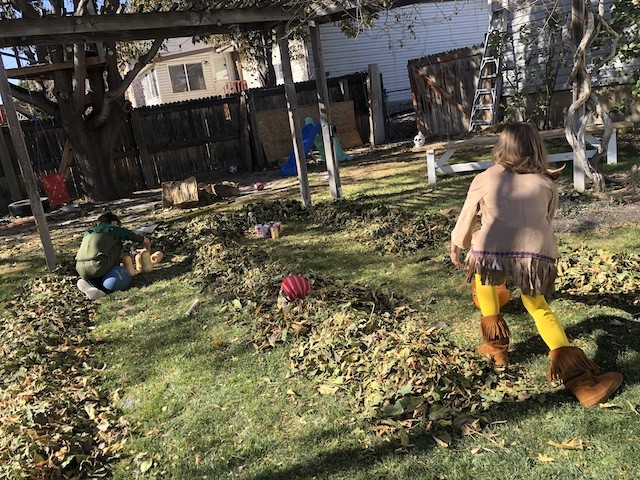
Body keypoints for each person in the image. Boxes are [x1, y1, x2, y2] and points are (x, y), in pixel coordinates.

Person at [450, 122, 623, 407]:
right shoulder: (546, 183)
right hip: (533, 256)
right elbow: (546, 219)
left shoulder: (484, 178)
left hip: (490, 250)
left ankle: (497, 349)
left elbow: (467, 217)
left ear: (501, 148)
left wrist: (460, 244)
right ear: (536, 149)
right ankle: (582, 382)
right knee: (538, 306)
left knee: (485, 282)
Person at [75, 212, 150, 301]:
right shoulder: (113, 229)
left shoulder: (88, 232)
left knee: (99, 256)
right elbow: (143, 240)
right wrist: (147, 251)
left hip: (80, 268)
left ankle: (91, 284)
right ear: (114, 223)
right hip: (99, 265)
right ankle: (106, 286)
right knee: (117, 244)